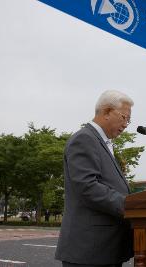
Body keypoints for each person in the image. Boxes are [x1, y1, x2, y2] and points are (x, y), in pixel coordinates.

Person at [55, 90, 134, 267]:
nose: (126, 124)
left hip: (104, 249)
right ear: (106, 112)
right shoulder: (84, 139)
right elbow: (88, 187)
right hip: (89, 250)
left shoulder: (102, 142)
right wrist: (131, 205)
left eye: (128, 120)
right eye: (124, 117)